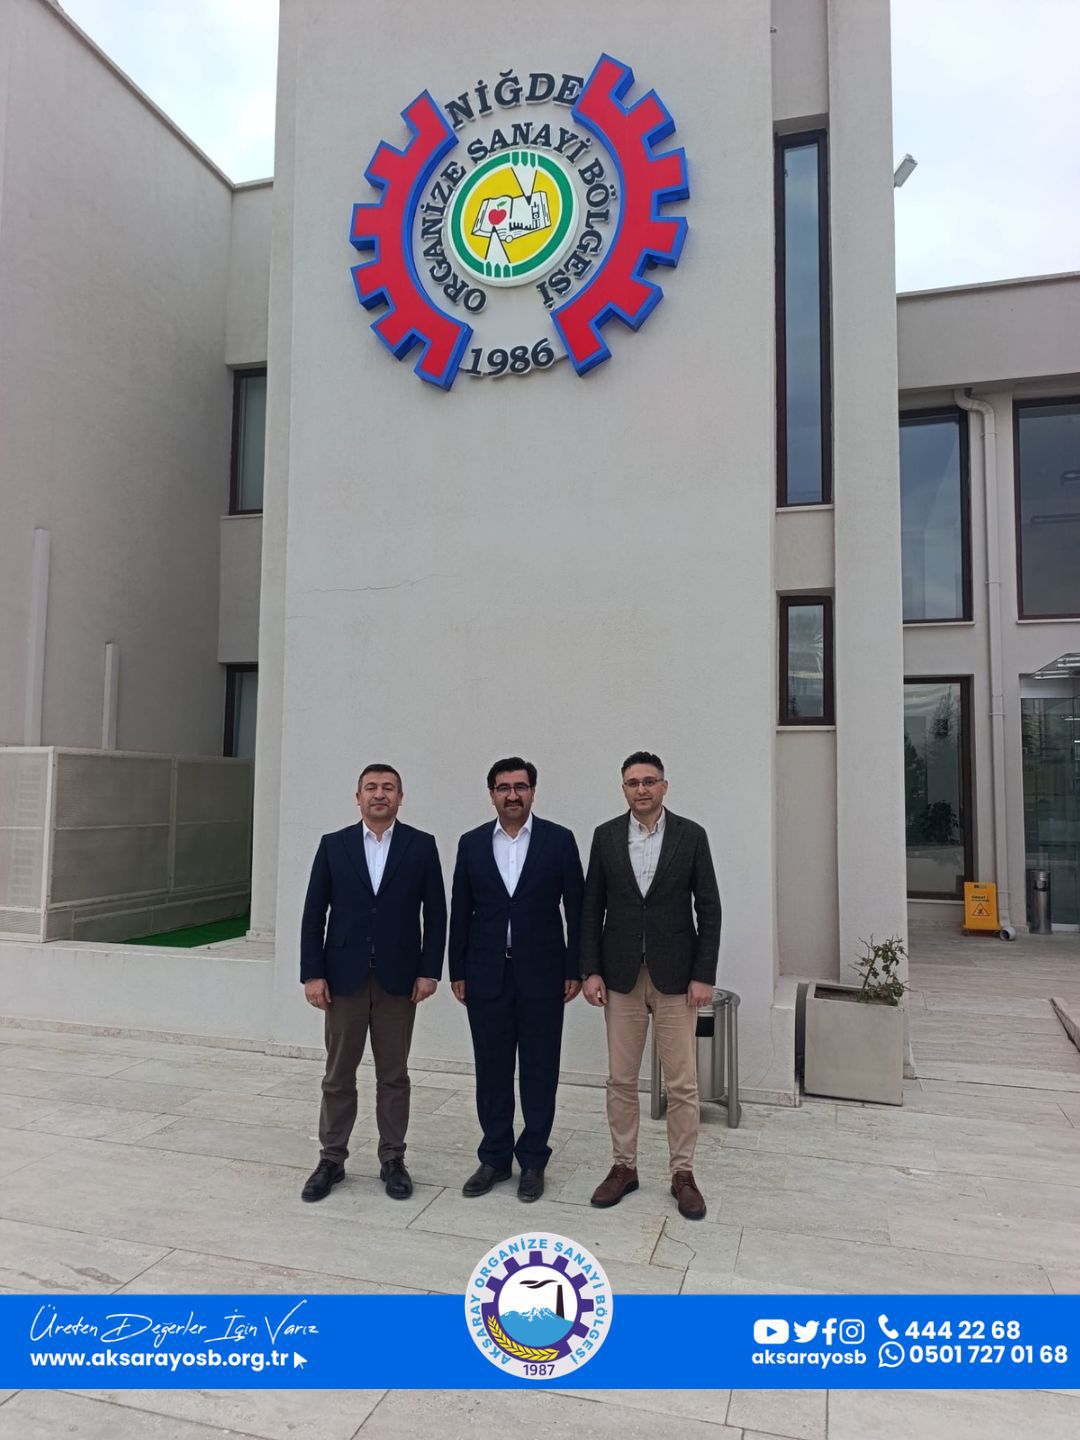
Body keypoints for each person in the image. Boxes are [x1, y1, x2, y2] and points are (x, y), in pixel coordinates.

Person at [581, 751, 721, 1220]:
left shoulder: (690, 835)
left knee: (682, 1083)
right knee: (620, 1079)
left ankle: (683, 1174)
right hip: (620, 976)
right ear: (623, 789)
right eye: (632, 782)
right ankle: (624, 1166)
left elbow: (709, 908)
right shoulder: (605, 836)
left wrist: (703, 974)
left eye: (648, 781)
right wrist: (590, 969)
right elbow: (591, 908)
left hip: (677, 978)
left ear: (664, 786)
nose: (640, 789)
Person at [299, 763, 446, 1203]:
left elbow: (436, 913)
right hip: (343, 979)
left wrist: (429, 970)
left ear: (401, 797)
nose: (379, 794)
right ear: (358, 797)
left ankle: (393, 1159)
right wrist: (313, 973)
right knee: (338, 1074)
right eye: (371, 788)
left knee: (394, 1074)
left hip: (398, 980)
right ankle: (331, 1159)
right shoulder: (334, 845)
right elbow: (314, 913)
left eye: (388, 788)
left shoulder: (421, 846)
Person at [449, 757, 584, 1203]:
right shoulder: (471, 843)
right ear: (491, 794)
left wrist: (574, 968)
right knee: (491, 1068)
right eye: (503, 788)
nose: (512, 795)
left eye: (520, 787)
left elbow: (577, 909)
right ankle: (494, 1157)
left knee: (539, 1069)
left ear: (533, 792)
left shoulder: (559, 841)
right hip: (486, 975)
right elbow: (460, 911)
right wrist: (457, 970)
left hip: (543, 975)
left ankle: (533, 1161)